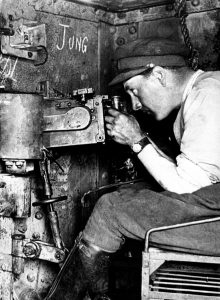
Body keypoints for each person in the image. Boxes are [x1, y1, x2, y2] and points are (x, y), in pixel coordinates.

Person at [46, 38, 220, 300]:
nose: (135, 104)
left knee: (110, 210)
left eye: (135, 91)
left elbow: (188, 188)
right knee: (129, 195)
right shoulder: (206, 89)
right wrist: (139, 141)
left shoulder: (207, 97)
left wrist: (136, 141)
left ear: (159, 75)